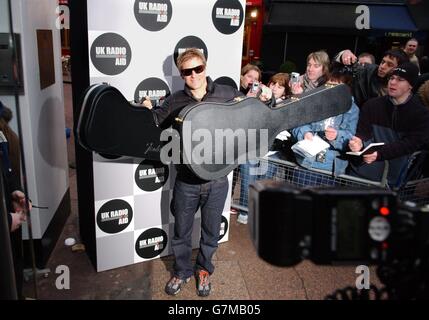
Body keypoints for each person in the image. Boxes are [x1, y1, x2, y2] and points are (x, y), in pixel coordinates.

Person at [144, 48, 271, 297]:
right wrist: (146, 109)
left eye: (197, 69)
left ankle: (204, 270)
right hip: (187, 181)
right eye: (187, 71)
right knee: (181, 232)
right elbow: (154, 124)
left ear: (205, 68)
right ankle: (181, 272)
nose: (194, 75)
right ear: (182, 75)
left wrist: (265, 98)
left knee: (211, 232)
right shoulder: (175, 100)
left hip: (217, 180)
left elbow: (251, 114)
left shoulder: (226, 93)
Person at [347, 62, 429, 186]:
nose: (393, 82)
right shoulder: (371, 105)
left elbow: (409, 144)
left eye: (400, 79)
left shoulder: (421, 114)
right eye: (392, 78)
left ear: (410, 85)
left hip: (391, 180)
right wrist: (359, 142)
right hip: (359, 174)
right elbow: (363, 132)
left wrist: (380, 154)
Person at [236, 73, 292, 225]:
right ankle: (244, 210)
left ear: (285, 92)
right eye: (273, 84)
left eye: (280, 87)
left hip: (272, 153)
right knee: (248, 180)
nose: (275, 88)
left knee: (264, 183)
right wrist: (253, 99)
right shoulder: (257, 99)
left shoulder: (288, 105)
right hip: (251, 150)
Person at [290, 63, 359, 181]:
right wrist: (305, 133)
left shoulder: (352, 109)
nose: (331, 89)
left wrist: (337, 136)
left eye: (337, 86)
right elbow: (296, 124)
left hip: (331, 169)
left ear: (346, 88)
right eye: (329, 84)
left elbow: (352, 137)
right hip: (306, 162)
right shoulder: (314, 101)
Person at [336, 48, 409, 107]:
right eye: (383, 62)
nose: (382, 66)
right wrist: (344, 54)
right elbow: (341, 68)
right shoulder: (367, 71)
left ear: (399, 69)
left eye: (389, 64)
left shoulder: (404, 91)